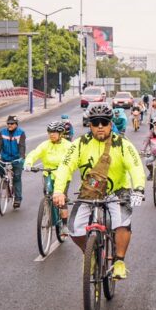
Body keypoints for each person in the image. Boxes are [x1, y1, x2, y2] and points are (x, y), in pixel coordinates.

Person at [53, 103, 146, 280]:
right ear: (90, 125)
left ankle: (119, 262)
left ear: (111, 124)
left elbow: (135, 167)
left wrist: (139, 188)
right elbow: (65, 167)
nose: (100, 126)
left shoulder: (122, 144)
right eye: (96, 123)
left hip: (117, 190)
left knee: (122, 222)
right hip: (90, 192)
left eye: (104, 122)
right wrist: (58, 191)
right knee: (74, 228)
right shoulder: (79, 144)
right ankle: (90, 254)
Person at [24, 120, 73, 238]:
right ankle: (50, 212)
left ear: (61, 133)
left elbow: (73, 159)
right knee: (48, 195)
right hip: (48, 174)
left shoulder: (68, 146)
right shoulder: (45, 145)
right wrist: (28, 163)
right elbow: (34, 153)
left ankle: (64, 225)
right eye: (50, 132)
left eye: (54, 132)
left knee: (61, 200)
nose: (51, 134)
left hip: (63, 175)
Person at [0, 115, 27, 208]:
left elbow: (22, 146)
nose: (9, 125)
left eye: (12, 123)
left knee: (17, 177)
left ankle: (18, 199)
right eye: (8, 123)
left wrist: (21, 157)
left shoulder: (21, 133)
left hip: (17, 159)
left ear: (16, 124)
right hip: (5, 157)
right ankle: (4, 178)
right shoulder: (2, 132)